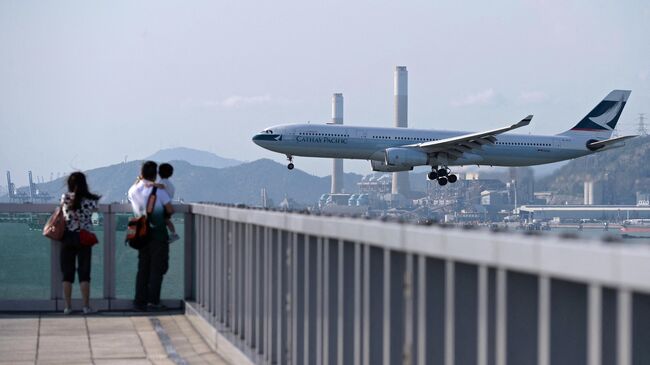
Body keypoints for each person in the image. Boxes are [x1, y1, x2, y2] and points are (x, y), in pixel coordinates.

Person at [128, 161, 173, 311]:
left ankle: (139, 301)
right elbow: (170, 209)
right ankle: (153, 301)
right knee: (157, 268)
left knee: (143, 268)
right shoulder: (158, 191)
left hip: (141, 233)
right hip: (158, 234)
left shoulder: (133, 190)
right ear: (155, 174)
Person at [60, 172, 101, 315]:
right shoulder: (92, 200)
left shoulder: (65, 198)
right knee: (84, 274)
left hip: (68, 237)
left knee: (67, 274)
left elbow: (64, 216)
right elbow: (95, 219)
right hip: (84, 238)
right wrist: (92, 223)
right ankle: (85, 306)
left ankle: (68, 307)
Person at [155, 163, 179, 242]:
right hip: (166, 205)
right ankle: (173, 234)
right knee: (166, 220)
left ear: (159, 173)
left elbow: (162, 186)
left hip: (163, 206)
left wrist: (150, 184)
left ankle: (174, 234)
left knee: (165, 220)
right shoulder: (170, 184)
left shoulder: (163, 182)